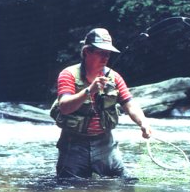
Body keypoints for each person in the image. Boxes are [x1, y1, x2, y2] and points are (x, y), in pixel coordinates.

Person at [52, 27, 151, 179]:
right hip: (73, 146)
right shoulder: (68, 75)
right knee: (69, 189)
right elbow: (64, 107)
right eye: (101, 52)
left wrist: (142, 122)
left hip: (105, 145)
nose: (106, 57)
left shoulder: (115, 78)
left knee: (126, 183)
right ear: (86, 52)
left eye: (108, 53)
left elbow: (130, 104)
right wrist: (89, 91)